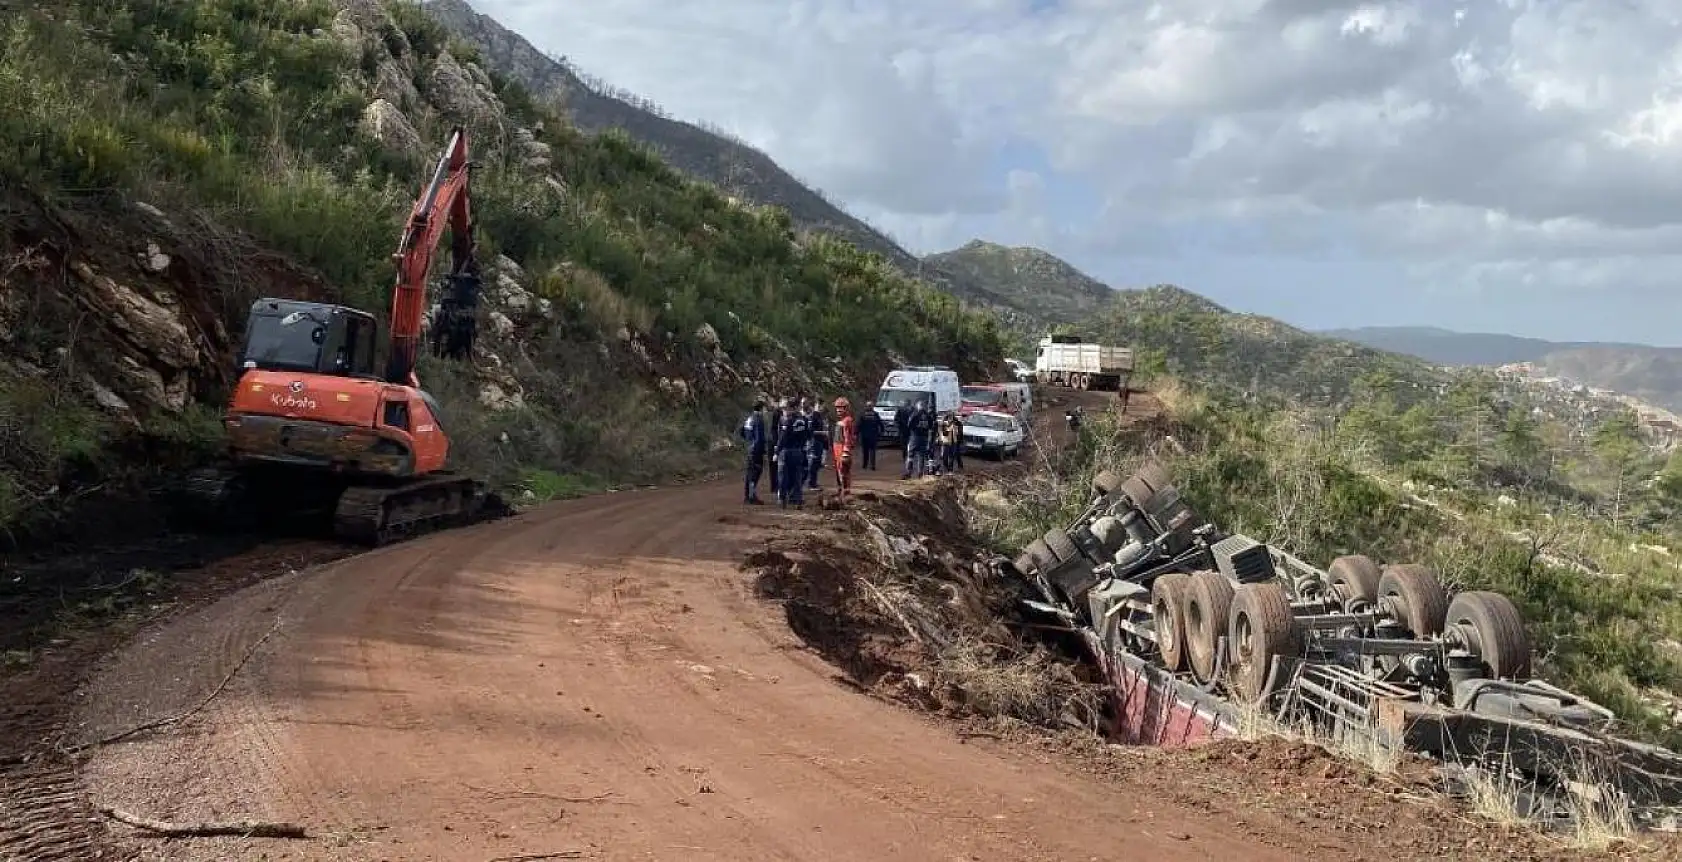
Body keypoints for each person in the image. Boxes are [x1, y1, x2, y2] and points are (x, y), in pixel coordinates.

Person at [776, 400, 810, 508]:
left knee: (783, 476)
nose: (785, 411)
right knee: (797, 477)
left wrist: (777, 451)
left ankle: (782, 499)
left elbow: (783, 437)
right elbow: (808, 435)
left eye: (786, 409)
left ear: (791, 408)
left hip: (787, 451)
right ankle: (798, 500)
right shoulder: (804, 420)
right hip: (799, 451)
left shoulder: (788, 421)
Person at [739, 398, 767, 504]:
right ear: (762, 408)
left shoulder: (749, 418)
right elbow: (759, 438)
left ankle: (748, 495)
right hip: (756, 450)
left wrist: (748, 442)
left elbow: (742, 431)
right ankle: (751, 496)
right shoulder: (758, 419)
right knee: (755, 472)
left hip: (749, 448)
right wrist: (762, 451)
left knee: (750, 473)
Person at [831, 397, 857, 500]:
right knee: (838, 470)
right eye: (837, 407)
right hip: (837, 447)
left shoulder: (847, 420)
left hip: (842, 448)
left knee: (843, 470)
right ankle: (840, 490)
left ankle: (846, 492)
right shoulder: (841, 421)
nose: (838, 410)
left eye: (840, 407)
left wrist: (846, 450)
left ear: (846, 408)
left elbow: (848, 437)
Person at [902, 399, 935, 479]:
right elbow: (931, 426)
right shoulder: (928, 415)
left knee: (910, 455)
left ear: (918, 406)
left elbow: (909, 424)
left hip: (915, 437)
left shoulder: (915, 414)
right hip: (924, 438)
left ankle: (909, 472)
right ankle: (920, 473)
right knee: (921, 456)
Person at [805, 396, 828, 490]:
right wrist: (822, 433)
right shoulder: (813, 416)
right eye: (820, 405)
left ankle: (814, 482)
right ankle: (811, 483)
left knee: (817, 463)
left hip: (820, 442)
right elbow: (811, 431)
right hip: (814, 442)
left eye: (822, 405)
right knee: (813, 463)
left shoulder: (819, 415)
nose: (822, 407)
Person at [857, 405, 882, 470]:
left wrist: (856, 433)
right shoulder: (875, 414)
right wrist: (881, 431)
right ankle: (872, 465)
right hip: (873, 435)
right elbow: (880, 423)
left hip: (864, 436)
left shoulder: (862, 415)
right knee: (872, 450)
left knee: (865, 451)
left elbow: (858, 425)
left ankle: (865, 464)